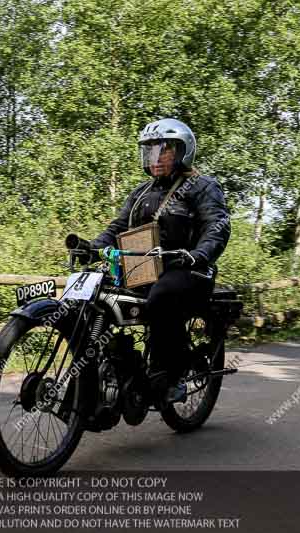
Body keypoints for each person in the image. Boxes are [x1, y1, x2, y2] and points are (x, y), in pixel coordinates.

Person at [85, 118, 231, 404]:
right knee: (96, 296)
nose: (155, 157)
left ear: (181, 151)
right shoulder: (141, 192)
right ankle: (103, 370)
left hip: (189, 271)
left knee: (162, 296)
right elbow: (119, 228)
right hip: (145, 271)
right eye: (150, 150)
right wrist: (93, 247)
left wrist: (197, 254)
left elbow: (217, 226)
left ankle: (172, 375)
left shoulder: (203, 187)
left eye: (163, 150)